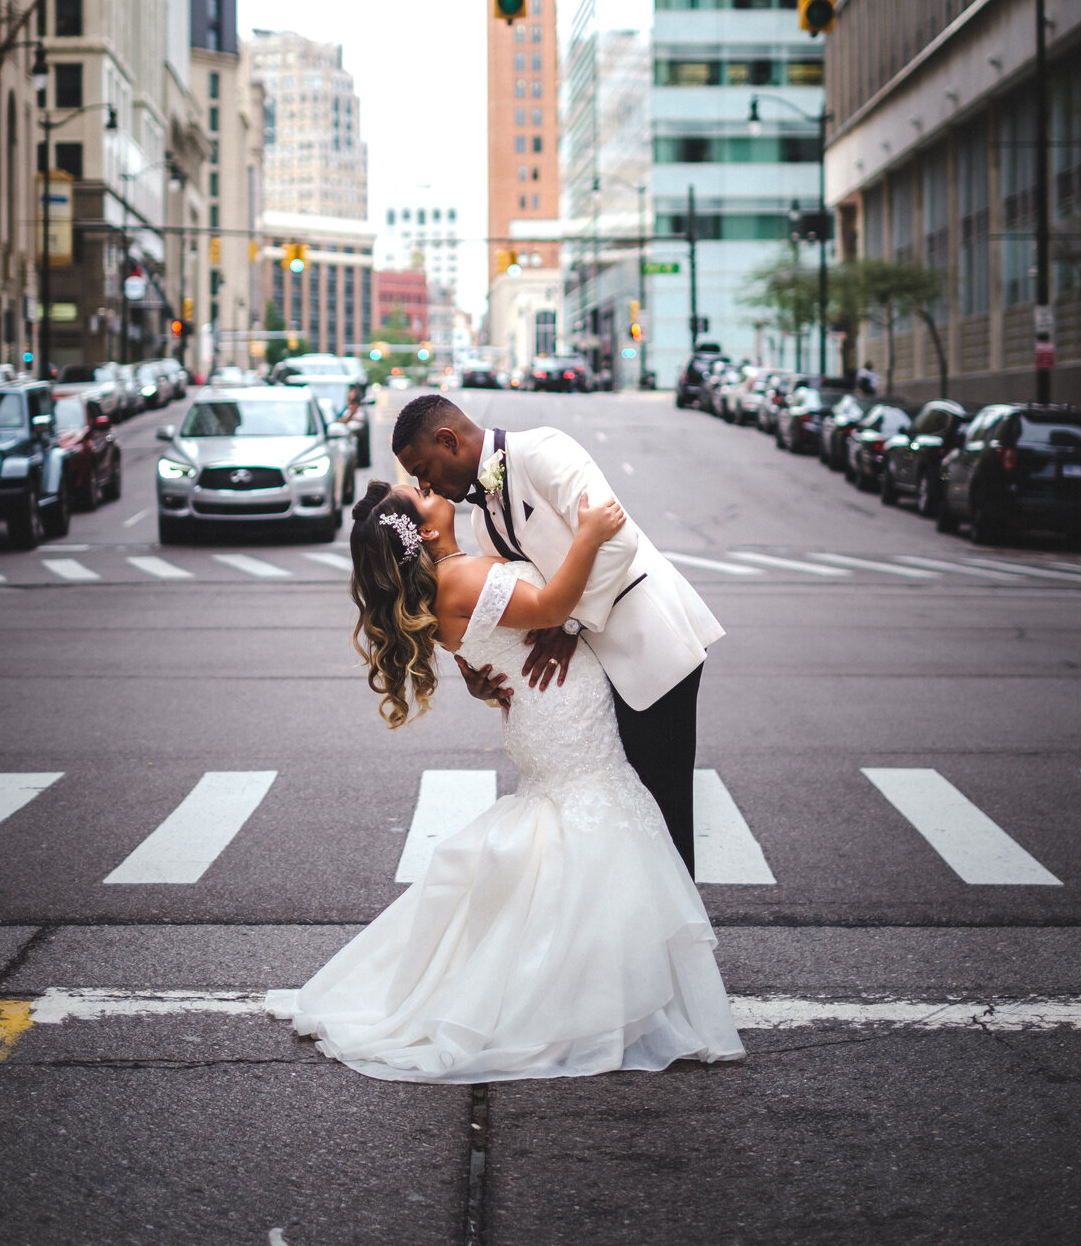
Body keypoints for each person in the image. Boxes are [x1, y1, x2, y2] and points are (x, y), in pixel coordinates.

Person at [266, 478, 744, 1082]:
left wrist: (479, 671)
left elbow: (475, 652)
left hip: (539, 714)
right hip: (560, 711)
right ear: (428, 530)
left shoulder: (444, 583)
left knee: (569, 834)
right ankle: (585, 997)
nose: (428, 486)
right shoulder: (461, 576)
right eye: (422, 493)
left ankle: (582, 987)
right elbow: (547, 610)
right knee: (591, 823)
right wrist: (592, 535)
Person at [389, 394, 724, 875]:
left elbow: (617, 540)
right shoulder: (482, 520)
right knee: (624, 821)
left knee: (663, 808)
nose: (425, 484)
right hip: (587, 692)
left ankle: (678, 944)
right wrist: (482, 672)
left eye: (423, 468)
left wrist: (568, 622)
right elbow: (514, 606)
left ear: (448, 440)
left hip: (648, 647)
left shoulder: (543, 450)